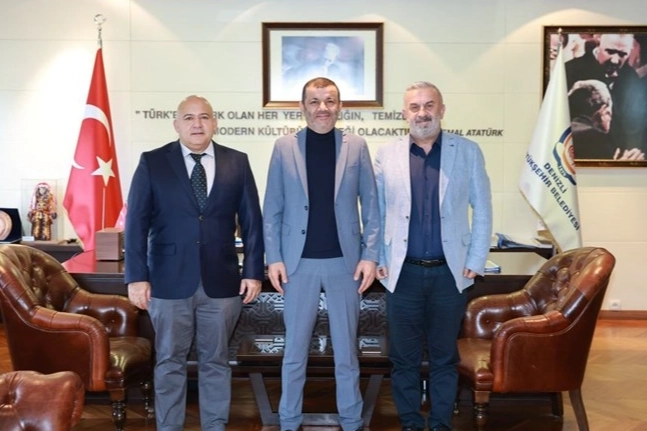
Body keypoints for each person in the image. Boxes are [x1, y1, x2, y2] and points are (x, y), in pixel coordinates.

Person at [124, 95, 264, 431]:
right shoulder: (153, 162)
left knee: (216, 361)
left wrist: (253, 272)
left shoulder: (237, 162)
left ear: (215, 123)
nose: (197, 124)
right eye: (188, 118)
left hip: (222, 282)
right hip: (168, 281)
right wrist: (136, 277)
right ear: (176, 124)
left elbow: (252, 222)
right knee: (170, 361)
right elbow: (136, 224)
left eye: (204, 117)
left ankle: (215, 425)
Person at [373, 81, 492, 431]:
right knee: (403, 359)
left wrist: (476, 259)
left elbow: (483, 209)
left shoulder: (467, 151)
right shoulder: (386, 154)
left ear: (441, 110)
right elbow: (375, 213)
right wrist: (377, 257)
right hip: (401, 274)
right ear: (404, 113)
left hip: (449, 274)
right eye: (415, 107)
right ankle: (411, 423)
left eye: (429, 105)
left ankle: (440, 424)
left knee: (444, 357)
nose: (422, 113)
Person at [263, 76, 380, 431]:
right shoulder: (284, 147)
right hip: (298, 265)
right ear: (303, 107)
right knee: (294, 353)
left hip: (346, 265)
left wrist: (370, 255)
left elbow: (371, 207)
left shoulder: (356, 146)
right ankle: (288, 421)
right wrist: (274, 257)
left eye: (329, 101)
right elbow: (272, 209)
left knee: (346, 354)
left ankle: (351, 421)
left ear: (340, 106)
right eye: (314, 101)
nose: (322, 108)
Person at [565, 33, 647, 160]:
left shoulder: (631, 78)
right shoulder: (570, 71)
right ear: (599, 43)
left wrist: (632, 153)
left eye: (622, 54)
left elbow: (635, 123)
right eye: (610, 51)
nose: (615, 60)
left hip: (620, 157)